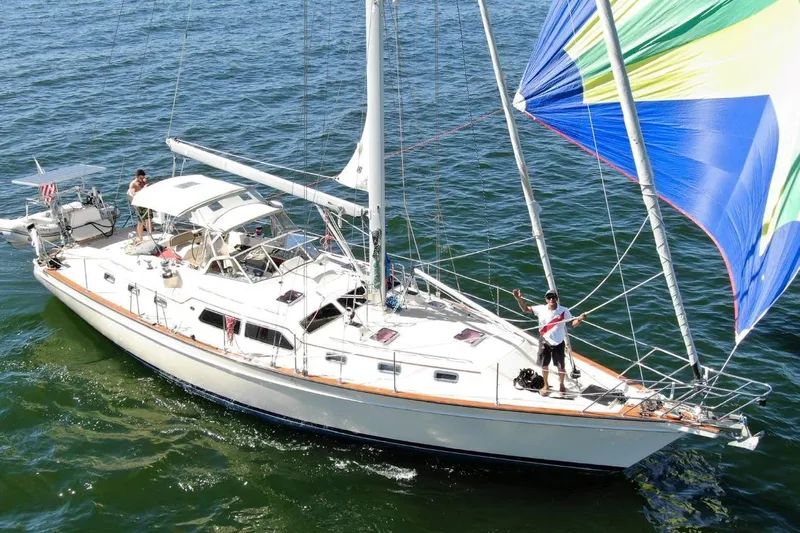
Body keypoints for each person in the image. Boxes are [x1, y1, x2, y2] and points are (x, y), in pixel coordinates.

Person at [513, 287, 586, 396]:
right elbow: (525, 309)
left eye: (553, 297)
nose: (551, 299)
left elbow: (573, 323)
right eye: (549, 297)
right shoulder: (541, 309)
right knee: (544, 366)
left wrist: (580, 318)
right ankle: (546, 385)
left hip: (558, 343)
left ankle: (562, 385)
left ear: (556, 298)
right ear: (546, 299)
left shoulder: (564, 310)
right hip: (544, 342)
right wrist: (518, 299)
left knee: (561, 367)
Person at [127, 169, 152, 242]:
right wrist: (143, 189)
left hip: (146, 203)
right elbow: (133, 194)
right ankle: (140, 237)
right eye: (141, 178)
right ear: (137, 176)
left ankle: (150, 236)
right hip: (139, 204)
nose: (142, 179)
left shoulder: (144, 181)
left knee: (149, 219)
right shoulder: (133, 184)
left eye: (143, 177)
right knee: (141, 221)